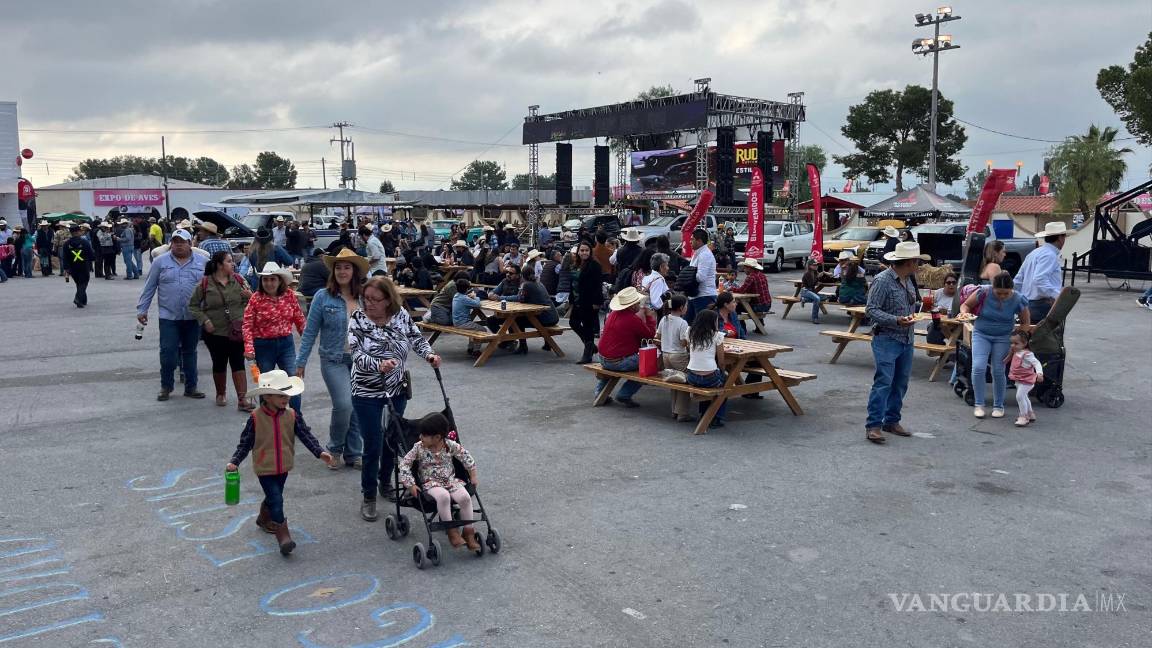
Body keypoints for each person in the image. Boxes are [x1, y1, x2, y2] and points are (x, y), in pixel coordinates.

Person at [349, 276, 441, 522]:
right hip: (366, 390)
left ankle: (385, 482)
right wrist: (378, 364)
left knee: (393, 439)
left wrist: (430, 354)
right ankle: (368, 495)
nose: (369, 304)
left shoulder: (400, 314)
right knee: (372, 444)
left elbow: (416, 338)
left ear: (388, 300)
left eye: (375, 300)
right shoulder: (357, 319)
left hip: (396, 388)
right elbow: (356, 354)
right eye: (365, 298)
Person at [226, 369, 334, 556]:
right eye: (281, 395)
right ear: (267, 397)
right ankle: (283, 537)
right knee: (277, 499)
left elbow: (305, 434)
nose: (286, 398)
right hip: (264, 467)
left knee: (273, 497)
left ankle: (263, 517)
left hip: (284, 465)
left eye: (287, 394)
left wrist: (320, 452)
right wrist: (235, 461)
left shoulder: (292, 414)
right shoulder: (255, 418)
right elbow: (245, 443)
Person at [295, 248, 369, 470]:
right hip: (333, 359)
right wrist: (301, 362)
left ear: (354, 271)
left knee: (357, 406)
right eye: (338, 267)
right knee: (344, 405)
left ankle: (354, 452)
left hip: (360, 361)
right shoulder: (322, 296)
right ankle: (334, 449)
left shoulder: (364, 297)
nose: (342, 271)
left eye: (347, 267)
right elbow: (309, 332)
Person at [863, 241, 927, 444]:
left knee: (900, 383)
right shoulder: (882, 280)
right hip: (887, 338)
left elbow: (909, 304)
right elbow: (871, 310)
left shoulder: (907, 279)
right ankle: (873, 425)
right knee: (883, 383)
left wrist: (913, 313)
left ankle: (891, 420)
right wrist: (896, 320)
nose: (919, 265)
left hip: (906, 338)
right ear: (909, 262)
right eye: (917, 261)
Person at [137, 229, 208, 400]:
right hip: (168, 316)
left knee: (190, 352)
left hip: (193, 316)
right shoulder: (160, 262)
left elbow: (211, 287)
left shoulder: (203, 262)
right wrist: (142, 309)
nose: (178, 245)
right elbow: (150, 286)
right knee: (168, 352)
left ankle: (191, 387)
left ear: (190, 243)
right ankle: (166, 386)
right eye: (175, 242)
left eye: (182, 241)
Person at [399, 411, 481, 551]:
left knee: (465, 498)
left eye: (424, 435)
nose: (420, 437)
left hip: (450, 480)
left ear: (437, 437)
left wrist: (472, 475)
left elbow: (466, 457)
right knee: (443, 497)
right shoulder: (419, 447)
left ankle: (469, 532)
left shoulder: (449, 445)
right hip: (431, 483)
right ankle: (452, 531)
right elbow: (404, 464)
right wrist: (410, 484)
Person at [188, 250, 253, 410]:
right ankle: (220, 393)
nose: (233, 264)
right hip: (215, 331)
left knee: (238, 362)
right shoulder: (205, 283)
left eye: (232, 261)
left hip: (237, 330)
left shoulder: (239, 280)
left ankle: (242, 399)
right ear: (219, 265)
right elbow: (193, 306)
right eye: (229, 261)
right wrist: (205, 320)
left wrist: (250, 296)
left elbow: (253, 303)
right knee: (219, 362)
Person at [962, 271, 1031, 419]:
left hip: (1004, 337)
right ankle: (979, 404)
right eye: (999, 293)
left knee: (999, 370)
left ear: (1011, 289)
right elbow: (966, 305)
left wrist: (1019, 340)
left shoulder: (1018, 299)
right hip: (981, 333)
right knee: (978, 367)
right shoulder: (983, 292)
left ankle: (998, 405)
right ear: (992, 288)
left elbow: (1025, 322)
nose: (1002, 296)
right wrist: (965, 314)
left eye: (1006, 293)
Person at [243, 262, 306, 414]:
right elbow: (247, 325)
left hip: (286, 343)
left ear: (280, 281)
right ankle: (268, 419)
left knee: (293, 379)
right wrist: (249, 348)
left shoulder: (289, 295)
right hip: (263, 345)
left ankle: (296, 417)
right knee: (266, 384)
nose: (269, 283)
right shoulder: (256, 299)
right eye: (266, 280)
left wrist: (307, 341)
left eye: (272, 279)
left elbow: (299, 318)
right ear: (261, 281)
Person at [594, 287, 657, 407]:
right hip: (617, 362)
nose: (639, 305)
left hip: (602, 357)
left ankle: (599, 392)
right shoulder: (632, 319)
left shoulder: (613, 314)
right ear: (632, 306)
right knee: (650, 362)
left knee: (612, 361)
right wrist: (649, 317)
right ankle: (624, 394)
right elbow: (649, 335)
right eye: (638, 303)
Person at [1013, 222, 1067, 321]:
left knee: (1028, 334)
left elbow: (1018, 280)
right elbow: (1039, 279)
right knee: (1045, 335)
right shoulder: (1050, 255)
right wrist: (1057, 296)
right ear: (1060, 238)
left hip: (1028, 303)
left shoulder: (1034, 253)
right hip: (1042, 305)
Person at [686, 309, 729, 429]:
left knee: (707, 386)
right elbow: (721, 361)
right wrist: (723, 371)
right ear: (712, 322)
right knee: (726, 386)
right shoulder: (717, 336)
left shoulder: (690, 332)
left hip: (692, 376)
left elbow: (689, 349)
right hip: (710, 377)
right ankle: (717, 417)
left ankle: (703, 413)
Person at [657, 294, 693, 422]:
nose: (687, 308)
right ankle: (682, 413)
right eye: (686, 306)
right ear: (682, 307)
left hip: (666, 354)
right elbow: (683, 342)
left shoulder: (664, 319)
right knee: (684, 381)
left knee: (674, 381)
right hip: (678, 355)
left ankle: (674, 410)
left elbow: (658, 335)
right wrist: (689, 340)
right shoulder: (683, 322)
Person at [570, 241, 604, 364]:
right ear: (578, 252)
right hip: (577, 300)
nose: (584, 253)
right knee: (573, 322)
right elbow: (573, 283)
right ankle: (590, 346)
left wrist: (597, 302)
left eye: (586, 250)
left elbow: (597, 285)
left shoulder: (594, 265)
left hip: (589, 301)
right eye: (582, 250)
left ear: (590, 252)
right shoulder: (576, 265)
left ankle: (587, 354)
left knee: (588, 327)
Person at [1007, 330, 1044, 427]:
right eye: (1011, 343)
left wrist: (1039, 373)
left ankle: (1023, 417)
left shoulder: (1027, 354)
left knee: (1019, 396)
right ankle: (1030, 413)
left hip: (1027, 380)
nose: (1012, 345)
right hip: (1019, 379)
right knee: (1024, 396)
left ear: (1024, 343)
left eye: (1016, 343)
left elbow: (1037, 363)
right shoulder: (1017, 351)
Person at [452, 277, 490, 357]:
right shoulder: (464, 298)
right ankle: (476, 351)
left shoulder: (456, 296)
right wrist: (475, 296)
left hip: (457, 322)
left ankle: (470, 348)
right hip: (463, 323)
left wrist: (470, 297)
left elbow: (466, 303)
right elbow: (478, 304)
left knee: (473, 327)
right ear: (466, 289)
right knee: (482, 329)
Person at [686, 229, 718, 321]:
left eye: (692, 239)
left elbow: (701, 277)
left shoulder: (705, 255)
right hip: (695, 295)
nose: (690, 241)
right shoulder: (698, 253)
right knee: (688, 325)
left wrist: (687, 277)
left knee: (701, 327)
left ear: (699, 241)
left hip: (704, 296)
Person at [61, 224, 95, 307]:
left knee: (79, 283)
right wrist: (93, 259)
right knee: (84, 282)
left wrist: (66, 268)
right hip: (83, 265)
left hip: (72, 266)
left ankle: (83, 300)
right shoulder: (84, 242)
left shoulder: (66, 244)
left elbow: (64, 257)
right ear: (78, 232)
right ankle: (78, 299)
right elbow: (90, 253)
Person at [799, 258, 832, 324]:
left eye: (817, 265)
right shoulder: (807, 273)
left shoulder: (815, 272)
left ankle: (804, 299)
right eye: (814, 265)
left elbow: (818, 278)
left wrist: (824, 273)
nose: (816, 266)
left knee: (826, 297)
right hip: (806, 291)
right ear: (810, 266)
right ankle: (815, 318)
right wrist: (818, 278)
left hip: (811, 291)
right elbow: (811, 284)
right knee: (817, 298)